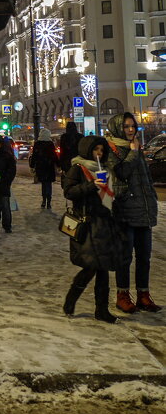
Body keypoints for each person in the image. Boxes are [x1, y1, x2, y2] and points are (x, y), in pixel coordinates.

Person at [62, 135, 121, 323]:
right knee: (90, 267)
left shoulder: (104, 169)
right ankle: (71, 300)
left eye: (102, 151)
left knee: (103, 269)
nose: (99, 153)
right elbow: (69, 192)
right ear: (88, 150)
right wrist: (91, 186)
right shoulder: (78, 168)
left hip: (104, 223)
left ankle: (101, 310)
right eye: (96, 150)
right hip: (87, 224)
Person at [106, 113, 161, 314]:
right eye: (127, 126)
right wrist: (133, 153)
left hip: (144, 209)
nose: (131, 130)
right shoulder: (111, 149)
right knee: (125, 257)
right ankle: (122, 295)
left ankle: (143, 295)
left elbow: (145, 177)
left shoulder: (136, 147)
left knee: (144, 257)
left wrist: (151, 197)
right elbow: (121, 172)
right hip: (124, 211)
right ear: (118, 128)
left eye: (133, 126)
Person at [29, 128, 59, 209]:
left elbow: (34, 156)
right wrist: (58, 164)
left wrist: (32, 165)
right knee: (49, 184)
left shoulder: (37, 144)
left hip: (41, 167)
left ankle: (43, 201)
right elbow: (54, 156)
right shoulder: (50, 144)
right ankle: (49, 202)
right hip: (49, 167)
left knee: (43, 184)